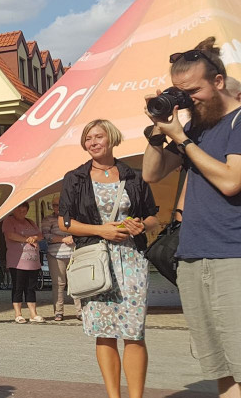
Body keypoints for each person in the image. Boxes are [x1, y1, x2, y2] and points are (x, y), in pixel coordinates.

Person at [142, 37, 241, 398]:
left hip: (233, 256)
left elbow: (232, 181)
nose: (188, 100)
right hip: (194, 256)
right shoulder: (197, 128)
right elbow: (153, 174)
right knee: (220, 367)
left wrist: (182, 140)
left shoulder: (237, 122)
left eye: (194, 91)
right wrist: (158, 130)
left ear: (218, 81)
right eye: (180, 93)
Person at [60, 119, 159, 398]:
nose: (93, 142)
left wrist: (142, 225)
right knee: (104, 331)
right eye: (88, 138)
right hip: (95, 260)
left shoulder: (134, 176)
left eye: (98, 136)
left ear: (112, 138)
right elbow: (65, 223)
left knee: (134, 331)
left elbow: (153, 216)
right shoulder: (75, 178)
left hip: (130, 259)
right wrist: (100, 230)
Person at [40, 195, 81, 321]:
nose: (57, 207)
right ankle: (58, 312)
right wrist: (63, 239)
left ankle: (80, 312)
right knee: (58, 284)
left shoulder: (74, 218)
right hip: (55, 255)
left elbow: (80, 231)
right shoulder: (48, 219)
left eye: (60, 205)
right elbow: (46, 235)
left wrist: (73, 238)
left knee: (77, 284)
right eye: (55, 205)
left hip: (74, 253)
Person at [3, 202, 44, 324]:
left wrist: (35, 238)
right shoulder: (9, 221)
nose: (22, 212)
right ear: (14, 210)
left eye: (24, 210)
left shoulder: (30, 222)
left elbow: (40, 235)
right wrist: (27, 239)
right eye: (19, 210)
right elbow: (10, 235)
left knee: (31, 287)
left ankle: (33, 314)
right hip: (17, 261)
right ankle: (18, 314)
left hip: (32, 262)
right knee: (18, 287)